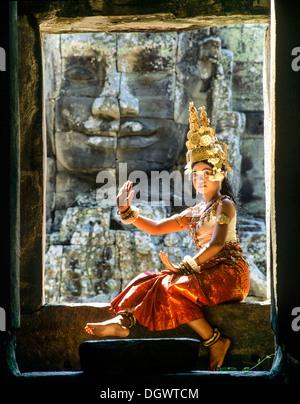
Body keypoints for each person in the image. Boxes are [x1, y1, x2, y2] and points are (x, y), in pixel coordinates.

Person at [85, 102, 250, 371]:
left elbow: (217, 243)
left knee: (172, 285)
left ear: (219, 174)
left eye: (207, 173)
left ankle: (214, 341)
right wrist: (127, 211)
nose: (200, 179)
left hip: (230, 274)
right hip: (205, 272)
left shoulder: (225, 204)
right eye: (196, 174)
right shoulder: (196, 210)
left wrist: (185, 267)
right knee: (148, 278)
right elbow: (158, 227)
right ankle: (123, 322)